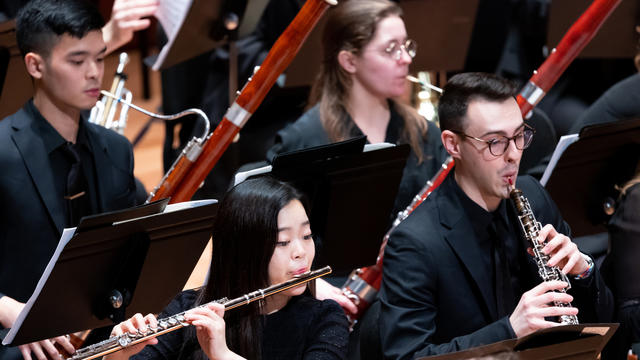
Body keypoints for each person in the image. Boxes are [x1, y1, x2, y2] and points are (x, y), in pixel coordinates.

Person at [378, 72, 614, 359]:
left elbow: (599, 320)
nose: (514, 154)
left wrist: (584, 270)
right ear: (453, 144)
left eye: (519, 136)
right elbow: (408, 356)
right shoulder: (415, 244)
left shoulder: (534, 197)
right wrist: (509, 330)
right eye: (495, 142)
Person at [0, 1, 144, 359]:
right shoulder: (1, 152)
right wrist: (10, 311)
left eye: (100, 57)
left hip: (100, 330)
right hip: (19, 336)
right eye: (78, 62)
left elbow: (130, 256)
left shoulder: (116, 150)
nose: (96, 73)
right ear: (35, 65)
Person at [105, 176, 349, 360]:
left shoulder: (326, 320)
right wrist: (118, 355)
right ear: (243, 250)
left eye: (306, 236)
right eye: (283, 242)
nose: (301, 251)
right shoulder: (189, 309)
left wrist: (223, 354)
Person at [266, 0, 449, 217]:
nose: (407, 59)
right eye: (391, 49)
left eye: (406, 46)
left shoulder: (425, 134)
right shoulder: (303, 143)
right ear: (349, 61)